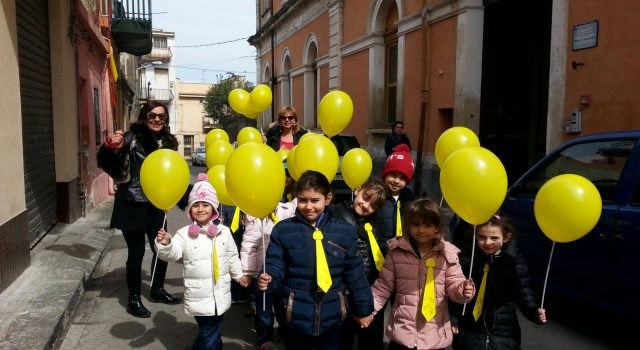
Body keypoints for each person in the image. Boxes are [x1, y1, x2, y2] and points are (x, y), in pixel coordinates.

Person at [257, 170, 374, 349]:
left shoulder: (345, 231)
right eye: (303, 200)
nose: (308, 206)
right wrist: (270, 277)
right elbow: (275, 264)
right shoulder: (283, 230)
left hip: (334, 318)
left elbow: (355, 274)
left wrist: (364, 309)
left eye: (315, 200)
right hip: (296, 318)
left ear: (327, 199)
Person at [97, 100, 181, 318]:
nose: (156, 119)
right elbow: (107, 163)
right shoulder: (130, 137)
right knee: (136, 253)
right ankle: (134, 298)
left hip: (156, 204)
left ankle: (157, 289)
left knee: (161, 248)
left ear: (165, 120)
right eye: (152, 115)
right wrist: (110, 147)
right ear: (145, 117)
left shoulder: (169, 143)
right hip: (131, 202)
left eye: (161, 116)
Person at [360, 198, 475, 350]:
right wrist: (368, 310)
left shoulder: (447, 253)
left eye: (428, 225)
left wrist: (463, 290)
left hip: (435, 333)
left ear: (437, 227)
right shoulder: (396, 253)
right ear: (408, 225)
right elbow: (382, 286)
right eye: (416, 224)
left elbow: (454, 283)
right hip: (402, 331)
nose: (421, 230)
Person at [155, 174, 250, 350]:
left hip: (220, 293)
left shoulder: (224, 232)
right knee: (208, 331)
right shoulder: (184, 234)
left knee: (213, 330)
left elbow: (231, 256)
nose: (200, 209)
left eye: (205, 205)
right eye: (196, 205)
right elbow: (173, 254)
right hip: (199, 295)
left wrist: (239, 276)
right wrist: (166, 243)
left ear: (213, 208)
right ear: (190, 210)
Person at [450, 214, 547, 350]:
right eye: (482, 237)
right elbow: (453, 292)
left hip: (503, 334)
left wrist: (534, 312)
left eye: (494, 238)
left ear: (506, 237)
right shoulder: (467, 261)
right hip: (470, 331)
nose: (488, 242)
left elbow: (523, 292)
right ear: (475, 236)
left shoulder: (513, 263)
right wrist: (453, 318)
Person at [241, 161, 297, 350]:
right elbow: (248, 245)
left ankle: (283, 330)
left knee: (283, 306)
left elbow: (299, 202)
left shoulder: (286, 210)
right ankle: (264, 338)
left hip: (282, 271)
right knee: (264, 309)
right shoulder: (253, 216)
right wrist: (248, 272)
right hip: (262, 273)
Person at [328, 177, 387, 350]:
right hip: (343, 290)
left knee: (370, 339)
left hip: (369, 289)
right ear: (357, 190)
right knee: (341, 339)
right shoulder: (336, 213)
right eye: (366, 197)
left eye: (374, 205)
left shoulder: (377, 223)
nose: (366, 206)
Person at [377, 144, 415, 240]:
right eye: (393, 175)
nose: (396, 181)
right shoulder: (377, 195)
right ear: (385, 175)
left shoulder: (410, 199)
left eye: (402, 178)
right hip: (379, 248)